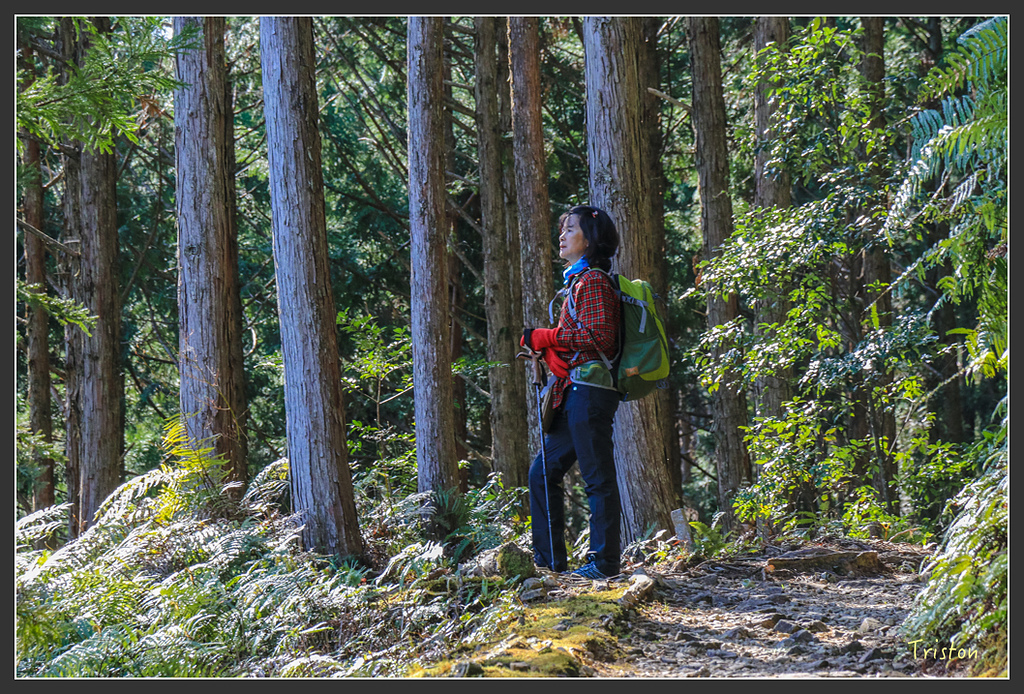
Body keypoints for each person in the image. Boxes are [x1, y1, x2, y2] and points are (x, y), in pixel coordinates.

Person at [520, 205, 622, 579]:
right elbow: (581, 342)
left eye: (571, 229)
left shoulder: (592, 281)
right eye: (561, 229)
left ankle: (605, 564)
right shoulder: (577, 282)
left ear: (590, 239)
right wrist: (547, 348)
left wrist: (546, 336)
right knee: (541, 473)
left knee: (597, 477)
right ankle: (550, 565)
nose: (562, 235)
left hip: (591, 393)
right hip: (573, 391)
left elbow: (600, 338)